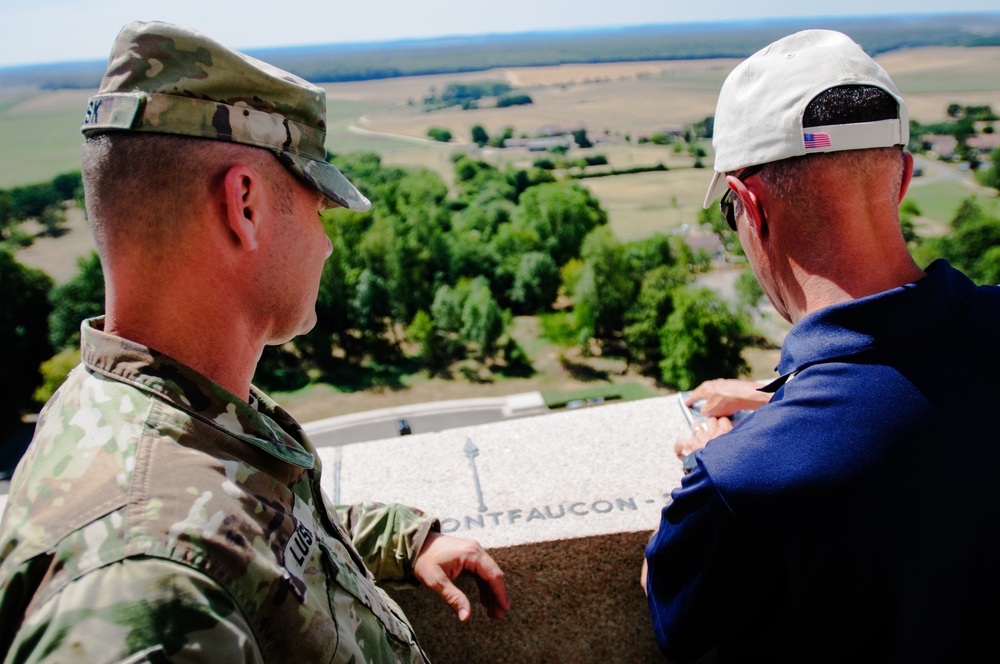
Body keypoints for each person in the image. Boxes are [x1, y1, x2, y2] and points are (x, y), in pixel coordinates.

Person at [0, 21, 508, 662]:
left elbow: (246, 523)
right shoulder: (147, 585)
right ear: (244, 204)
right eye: (318, 204)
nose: (325, 243)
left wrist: (396, 537)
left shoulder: (138, 406)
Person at [643, 29, 1000, 662]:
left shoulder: (737, 487)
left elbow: (673, 602)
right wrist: (790, 404)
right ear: (903, 179)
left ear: (750, 208)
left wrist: (739, 453)